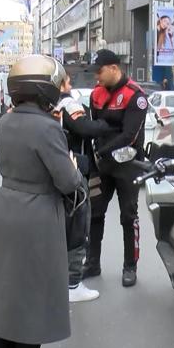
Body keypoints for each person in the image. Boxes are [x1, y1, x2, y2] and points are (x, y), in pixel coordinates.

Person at [0, 55, 83, 348]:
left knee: (10, 282)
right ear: (45, 91)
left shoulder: (5, 121)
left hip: (6, 205)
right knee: (35, 285)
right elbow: (67, 181)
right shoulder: (47, 127)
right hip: (37, 211)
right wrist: (72, 164)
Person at [85, 49, 148, 287]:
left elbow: (129, 135)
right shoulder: (96, 95)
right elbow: (95, 127)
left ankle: (130, 266)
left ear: (113, 68)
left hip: (127, 165)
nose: (96, 78)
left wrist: (101, 151)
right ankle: (92, 263)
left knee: (128, 216)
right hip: (102, 166)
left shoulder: (136, 96)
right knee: (95, 213)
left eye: (99, 72)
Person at [55, 74, 117, 302]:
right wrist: (106, 123)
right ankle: (73, 284)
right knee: (78, 225)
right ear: (61, 84)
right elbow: (85, 127)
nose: (70, 87)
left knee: (61, 226)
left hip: (55, 169)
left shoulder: (44, 103)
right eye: (69, 82)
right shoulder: (67, 102)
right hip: (75, 170)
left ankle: (60, 279)